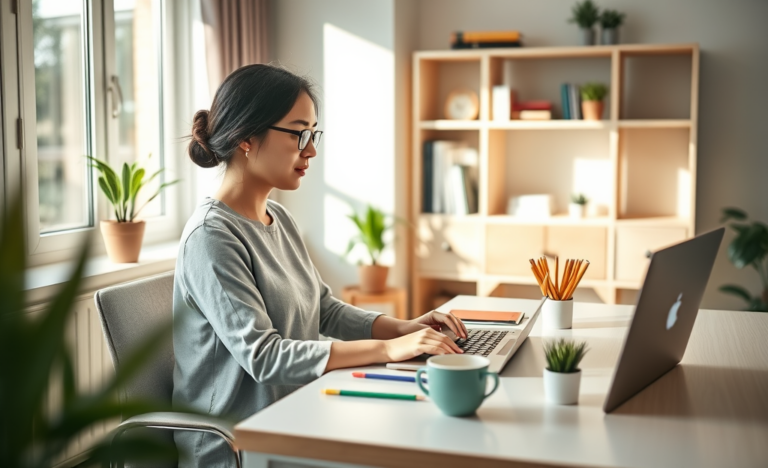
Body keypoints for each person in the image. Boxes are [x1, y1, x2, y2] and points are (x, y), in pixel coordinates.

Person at [174, 64, 467, 467]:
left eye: (313, 134)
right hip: (238, 446)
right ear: (245, 136)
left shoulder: (279, 218)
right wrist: (387, 349)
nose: (310, 150)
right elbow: (265, 357)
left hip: (299, 416)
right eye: (299, 134)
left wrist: (406, 328)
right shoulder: (211, 237)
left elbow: (324, 308)